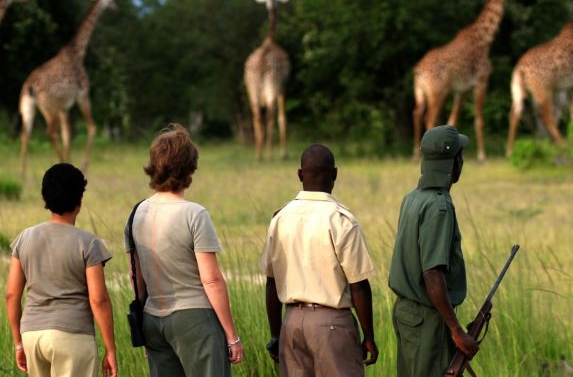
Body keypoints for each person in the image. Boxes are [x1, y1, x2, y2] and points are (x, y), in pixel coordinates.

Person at [125, 123, 244, 377]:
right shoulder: (195, 214)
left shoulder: (136, 213)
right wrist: (232, 336)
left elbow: (136, 277)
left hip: (153, 319)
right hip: (194, 319)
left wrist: (145, 327)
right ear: (189, 167)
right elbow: (211, 279)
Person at [260, 143, 379, 377]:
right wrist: (369, 337)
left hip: (291, 323)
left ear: (299, 175)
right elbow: (359, 286)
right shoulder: (342, 220)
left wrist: (276, 335)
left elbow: (271, 283)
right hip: (332, 326)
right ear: (335, 174)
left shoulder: (280, 218)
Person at [6, 163, 117, 377]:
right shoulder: (88, 243)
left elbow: (11, 295)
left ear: (45, 198)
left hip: (32, 336)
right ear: (79, 202)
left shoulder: (24, 238)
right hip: (72, 337)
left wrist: (18, 343)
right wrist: (110, 349)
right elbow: (99, 300)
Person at [388, 125, 479, 376]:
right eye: (459, 156)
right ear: (453, 164)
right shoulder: (439, 207)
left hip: (407, 312)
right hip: (428, 318)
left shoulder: (413, 197)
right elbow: (433, 275)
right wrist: (456, 330)